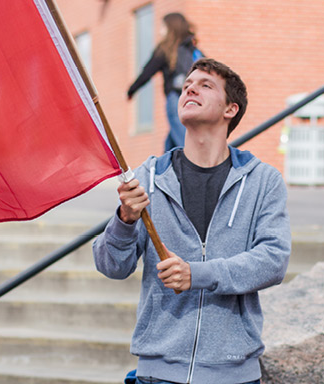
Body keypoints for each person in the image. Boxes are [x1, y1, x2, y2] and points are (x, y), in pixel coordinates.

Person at [96, 58, 289, 384]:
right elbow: (111, 265)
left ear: (230, 109)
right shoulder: (150, 177)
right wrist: (124, 220)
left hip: (233, 375)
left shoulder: (262, 180)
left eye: (205, 85)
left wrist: (197, 274)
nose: (189, 89)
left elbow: (273, 260)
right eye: (187, 85)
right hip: (157, 373)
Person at [128, 12, 204, 152]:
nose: (160, 31)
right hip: (194, 101)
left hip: (176, 99)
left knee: (185, 144)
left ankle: (204, 170)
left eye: (162, 27)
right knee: (170, 145)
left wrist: (131, 90)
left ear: (170, 28)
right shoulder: (193, 49)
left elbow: (147, 72)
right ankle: (161, 171)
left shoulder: (165, 49)